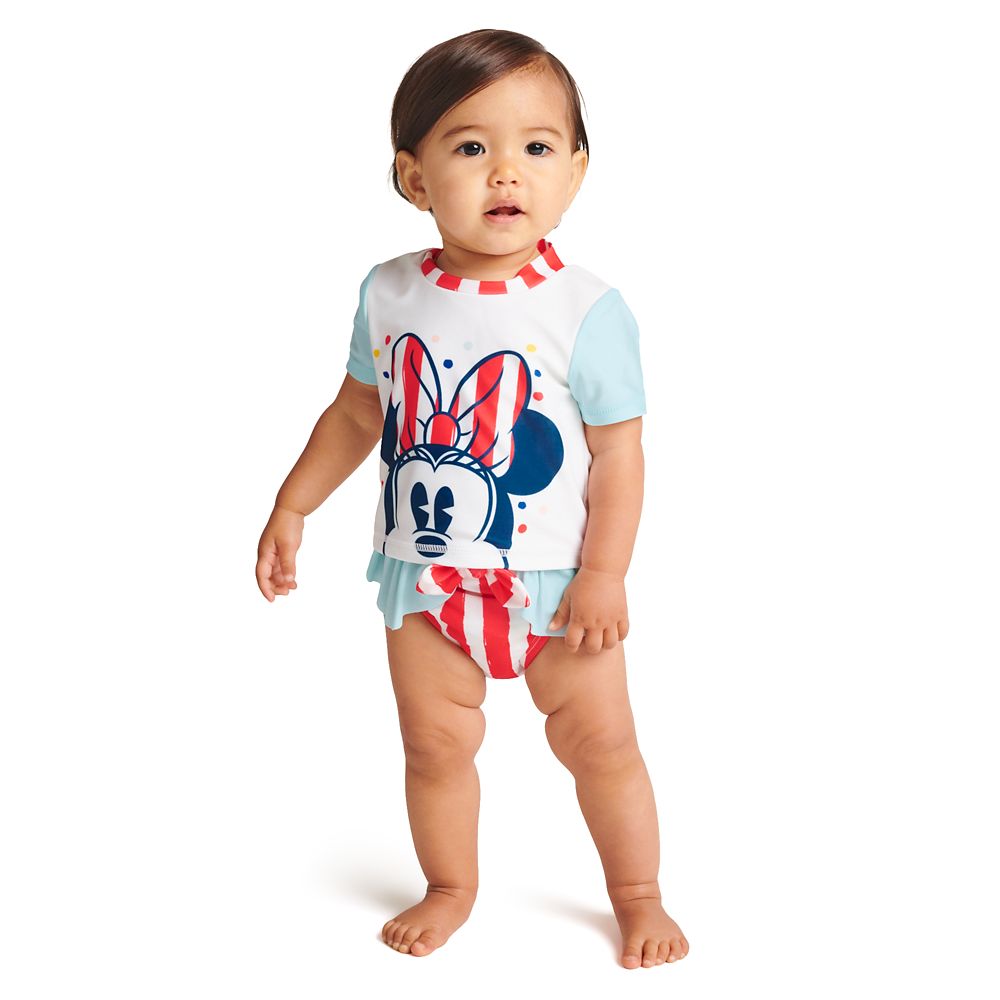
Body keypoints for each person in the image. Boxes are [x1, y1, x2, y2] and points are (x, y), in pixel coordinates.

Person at [255, 28, 689, 970]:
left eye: (536, 146)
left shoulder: (586, 309)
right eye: (470, 146)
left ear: (575, 172)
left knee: (602, 746)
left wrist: (605, 574)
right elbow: (357, 411)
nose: (506, 171)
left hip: (557, 585)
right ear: (414, 177)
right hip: (425, 578)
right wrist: (294, 506)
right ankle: (449, 886)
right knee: (434, 748)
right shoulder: (388, 292)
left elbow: (619, 455)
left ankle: (638, 894)